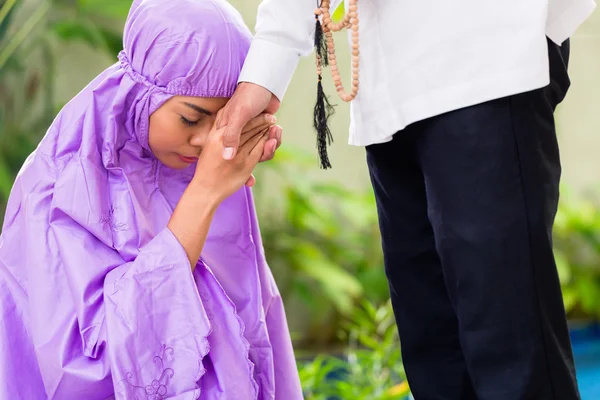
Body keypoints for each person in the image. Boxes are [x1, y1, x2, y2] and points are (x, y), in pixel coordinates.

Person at [217, 0, 597, 399]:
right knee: (434, 359)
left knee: (510, 355)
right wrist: (265, 69)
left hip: (481, 58)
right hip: (388, 89)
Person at [0, 0, 303, 398]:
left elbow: (251, 323)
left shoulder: (204, 159)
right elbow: (87, 368)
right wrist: (204, 194)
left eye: (224, 119)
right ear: (140, 91)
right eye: (192, 118)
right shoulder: (62, 186)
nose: (204, 141)